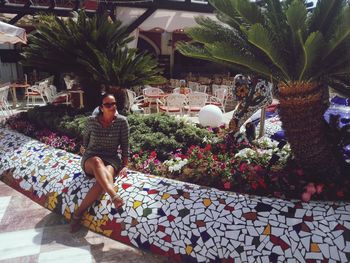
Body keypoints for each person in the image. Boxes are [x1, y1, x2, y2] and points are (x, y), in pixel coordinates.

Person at [70, 93, 129, 233]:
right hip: (91, 158)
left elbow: (125, 147)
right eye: (108, 105)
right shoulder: (91, 121)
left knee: (102, 181)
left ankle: (77, 214)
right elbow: (85, 143)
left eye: (114, 104)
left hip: (111, 159)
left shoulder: (122, 122)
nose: (112, 107)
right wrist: (83, 149)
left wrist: (125, 165)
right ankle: (114, 196)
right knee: (97, 162)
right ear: (101, 108)